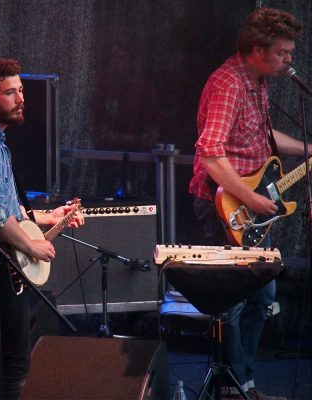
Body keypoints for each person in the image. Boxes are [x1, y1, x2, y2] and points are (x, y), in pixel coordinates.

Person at [188, 7, 306, 400]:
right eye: (284, 52)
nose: (290, 60)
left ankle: (243, 384)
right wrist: (252, 196)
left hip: (248, 203)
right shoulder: (229, 84)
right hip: (224, 206)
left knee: (262, 297)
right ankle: (233, 388)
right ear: (258, 49)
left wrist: (308, 149)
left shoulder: (256, 82)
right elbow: (209, 151)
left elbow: (262, 134)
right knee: (238, 302)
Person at [0, 58, 84, 399]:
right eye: (10, 93)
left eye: (21, 90)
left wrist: (50, 218)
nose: (21, 98)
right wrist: (32, 247)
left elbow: (4, 213)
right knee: (13, 363)